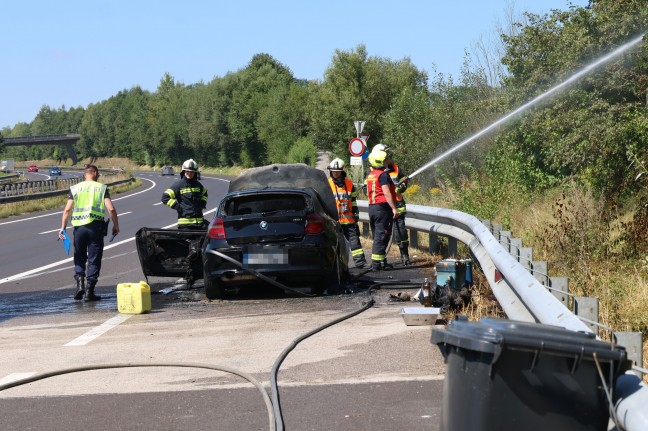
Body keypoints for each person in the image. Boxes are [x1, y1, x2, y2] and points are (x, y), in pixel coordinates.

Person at [59, 164, 119, 301]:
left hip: (79, 229)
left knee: (79, 256)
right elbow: (111, 209)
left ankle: (80, 283)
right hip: (95, 228)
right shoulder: (101, 188)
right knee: (94, 258)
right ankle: (89, 291)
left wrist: (62, 228)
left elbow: (67, 210)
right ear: (95, 173)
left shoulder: (75, 188)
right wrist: (116, 225)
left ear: (84, 175)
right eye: (98, 175)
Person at [327, 158, 369, 269]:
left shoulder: (349, 184)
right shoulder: (327, 184)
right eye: (333, 171)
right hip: (334, 221)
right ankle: (337, 266)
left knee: (355, 242)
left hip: (348, 220)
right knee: (336, 244)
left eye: (337, 171)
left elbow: (353, 201)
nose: (335, 173)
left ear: (342, 171)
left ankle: (360, 263)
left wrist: (355, 213)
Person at [365, 146, 399, 271]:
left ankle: (381, 261)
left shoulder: (371, 175)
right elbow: (386, 193)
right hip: (382, 208)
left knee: (377, 235)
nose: (386, 162)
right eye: (385, 160)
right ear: (380, 161)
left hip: (372, 208)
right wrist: (394, 208)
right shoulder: (383, 175)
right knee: (381, 236)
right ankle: (376, 264)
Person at [162, 158, 208, 229]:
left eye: (192, 172)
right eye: (187, 171)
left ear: (195, 173)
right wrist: (177, 207)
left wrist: (202, 203)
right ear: (183, 171)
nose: (189, 174)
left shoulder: (198, 185)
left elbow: (204, 193)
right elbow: (165, 197)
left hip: (199, 223)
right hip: (185, 225)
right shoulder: (179, 185)